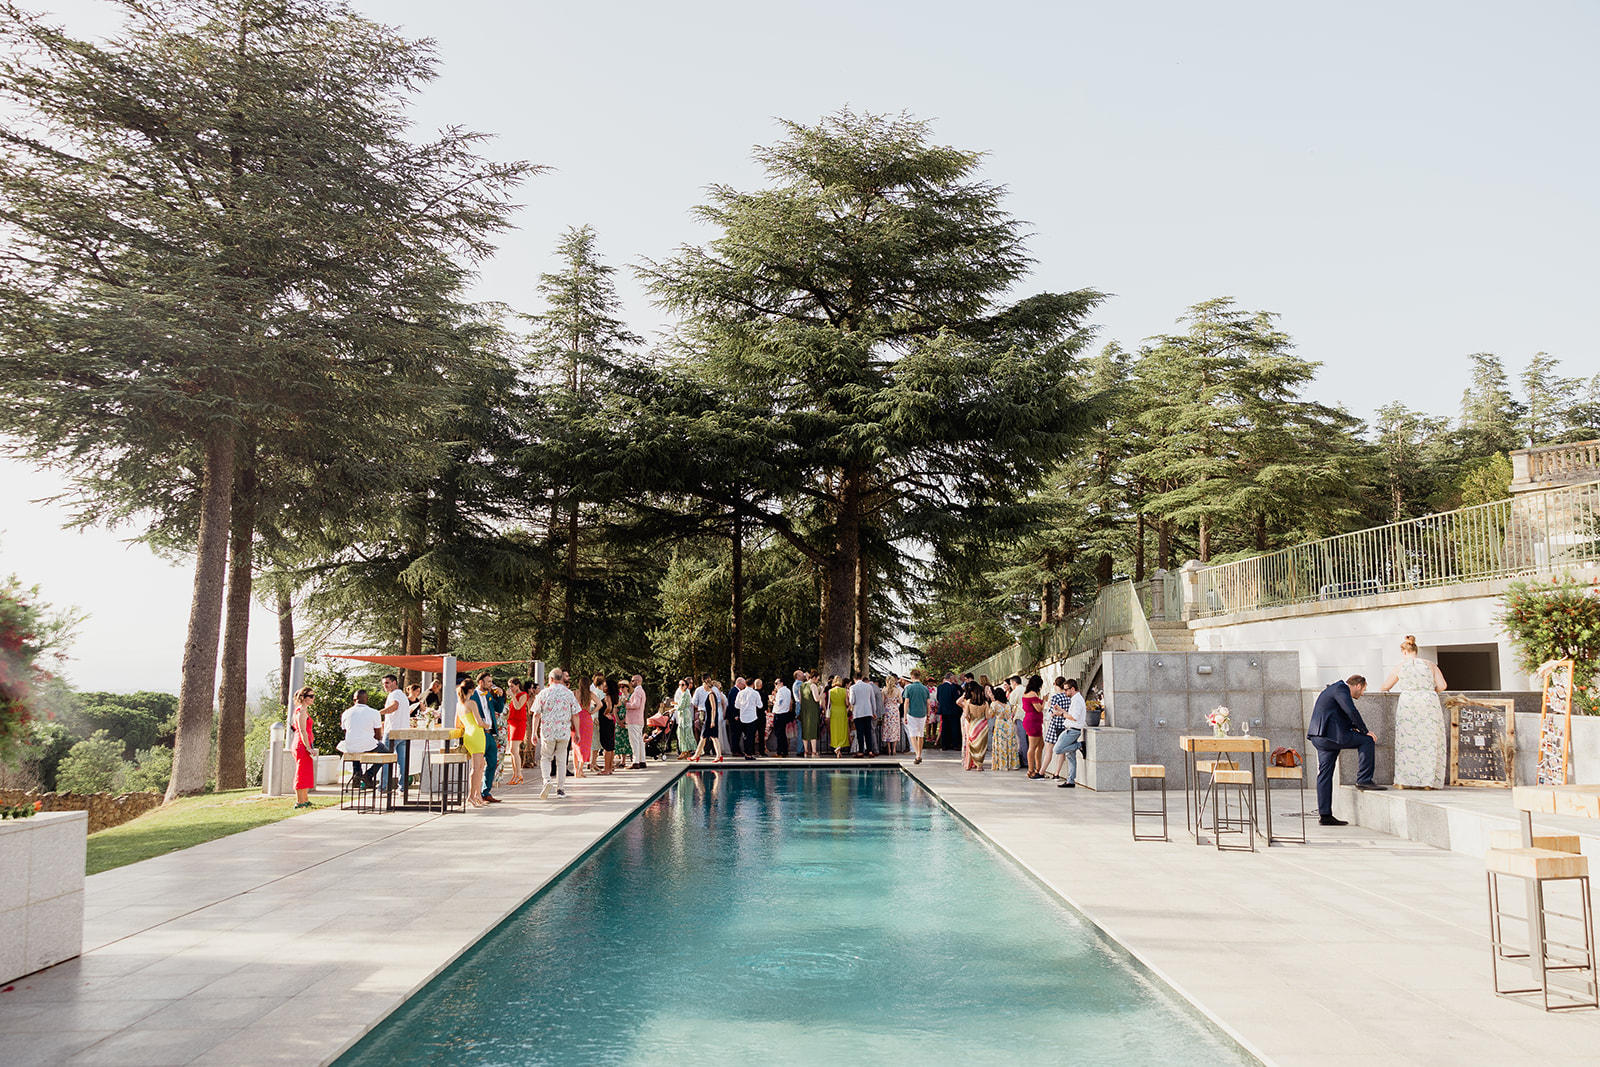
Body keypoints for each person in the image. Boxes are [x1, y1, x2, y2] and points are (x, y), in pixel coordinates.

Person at [1308, 674, 1387, 826]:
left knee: (1324, 774)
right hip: (1331, 736)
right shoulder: (1341, 688)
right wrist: (1365, 731)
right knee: (1367, 741)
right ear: (1357, 686)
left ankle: (1325, 815)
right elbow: (1351, 711)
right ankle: (1364, 779)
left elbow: (1341, 715)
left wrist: (1355, 727)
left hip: (1320, 737)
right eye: (1363, 690)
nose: (1362, 693)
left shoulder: (1333, 689)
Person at [1382, 635, 1449, 789]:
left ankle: (1403, 781)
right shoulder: (1430, 664)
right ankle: (1428, 782)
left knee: (1407, 740)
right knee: (1429, 741)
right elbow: (1443, 685)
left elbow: (1385, 686)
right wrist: (1429, 691)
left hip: (1409, 703)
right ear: (1416, 650)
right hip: (1428, 702)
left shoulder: (1400, 667)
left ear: (1404, 652)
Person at [531, 670, 582, 799]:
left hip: (548, 730)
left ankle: (547, 780)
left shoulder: (543, 693)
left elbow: (536, 714)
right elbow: (575, 714)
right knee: (561, 760)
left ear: (550, 678)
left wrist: (533, 732)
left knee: (546, 757)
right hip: (563, 731)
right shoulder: (568, 693)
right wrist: (577, 731)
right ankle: (560, 789)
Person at [338, 687, 385, 789]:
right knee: (386, 752)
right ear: (367, 699)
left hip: (350, 746)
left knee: (356, 745)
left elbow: (347, 731)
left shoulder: (346, 713)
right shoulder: (374, 712)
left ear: (354, 700)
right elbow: (378, 735)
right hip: (367, 745)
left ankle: (357, 774)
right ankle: (369, 775)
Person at [1043, 678, 1086, 787]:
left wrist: (1060, 715)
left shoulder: (1076, 700)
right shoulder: (1076, 699)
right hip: (1071, 729)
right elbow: (1071, 714)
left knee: (1057, 749)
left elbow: (1074, 717)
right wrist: (1061, 710)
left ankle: (1080, 745)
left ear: (1073, 689)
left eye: (1066, 690)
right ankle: (1070, 780)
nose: (1065, 692)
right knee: (1071, 756)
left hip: (1072, 730)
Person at [468, 672, 504, 803]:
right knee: (478, 765)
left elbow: (499, 709)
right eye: (489, 682)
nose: (491, 684)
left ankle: (485, 791)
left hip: (490, 733)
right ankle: (476, 793)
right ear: (481, 682)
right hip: (479, 733)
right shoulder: (473, 695)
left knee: (493, 762)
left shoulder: (488, 694)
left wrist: (500, 696)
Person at [456, 678, 490, 808]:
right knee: (477, 767)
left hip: (468, 735)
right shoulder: (471, 703)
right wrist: (487, 725)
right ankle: (472, 795)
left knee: (479, 765)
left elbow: (457, 723)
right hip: (477, 733)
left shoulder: (459, 705)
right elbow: (479, 722)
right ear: (471, 690)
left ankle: (476, 794)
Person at [377, 675, 411, 795]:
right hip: (404, 731)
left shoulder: (394, 694)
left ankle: (383, 786)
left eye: (387, 683)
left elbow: (394, 706)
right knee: (403, 761)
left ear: (394, 682)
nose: (385, 686)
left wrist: (378, 713)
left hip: (392, 732)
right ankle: (402, 787)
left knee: (386, 759)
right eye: (383, 683)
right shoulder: (403, 695)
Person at [688, 677, 727, 763]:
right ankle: (716, 756)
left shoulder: (711, 695)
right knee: (711, 737)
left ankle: (697, 755)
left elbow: (713, 709)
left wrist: (712, 720)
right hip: (709, 718)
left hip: (710, 719)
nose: (703, 687)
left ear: (706, 685)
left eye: (703, 685)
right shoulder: (711, 694)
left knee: (705, 737)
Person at [290, 686, 316, 808]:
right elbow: (302, 731)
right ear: (304, 698)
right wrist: (307, 747)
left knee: (306, 772)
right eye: (310, 696)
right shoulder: (301, 712)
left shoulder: (303, 711)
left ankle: (305, 799)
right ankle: (299, 801)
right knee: (301, 772)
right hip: (301, 744)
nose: (313, 698)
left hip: (305, 743)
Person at [959, 682, 993, 770]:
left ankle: (967, 765)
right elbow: (988, 716)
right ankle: (979, 765)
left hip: (973, 724)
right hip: (982, 726)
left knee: (971, 745)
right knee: (981, 746)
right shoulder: (985, 703)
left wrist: (971, 721)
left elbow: (966, 715)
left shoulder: (969, 702)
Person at [503, 677, 529, 786]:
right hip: (511, 722)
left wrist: (513, 696)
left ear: (517, 685)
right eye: (509, 687)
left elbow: (518, 707)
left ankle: (519, 774)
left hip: (519, 723)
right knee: (512, 751)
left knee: (515, 749)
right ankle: (515, 774)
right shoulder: (513, 697)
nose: (511, 689)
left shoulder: (523, 695)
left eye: (512, 686)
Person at [1042, 677, 1070, 778]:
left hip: (1055, 726)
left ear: (1056, 685)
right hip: (1065, 725)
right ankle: (1057, 773)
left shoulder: (1055, 697)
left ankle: (1041, 772)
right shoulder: (1069, 697)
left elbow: (1051, 714)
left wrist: (1050, 707)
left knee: (1048, 750)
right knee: (1060, 750)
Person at [901, 670, 930, 764]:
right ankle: (919, 754)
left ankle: (917, 754)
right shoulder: (925, 688)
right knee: (920, 735)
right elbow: (928, 703)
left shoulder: (909, 688)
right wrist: (928, 714)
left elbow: (906, 702)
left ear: (912, 677)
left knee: (913, 735)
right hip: (922, 713)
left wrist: (904, 715)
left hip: (912, 713)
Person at [991, 678, 1019, 772]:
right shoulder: (1008, 704)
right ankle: (1012, 764)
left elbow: (990, 715)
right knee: (1010, 744)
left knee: (1001, 745)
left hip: (1000, 726)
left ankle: (1002, 764)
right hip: (1009, 725)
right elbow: (1011, 712)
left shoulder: (994, 704)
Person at [1021, 675, 1047, 778]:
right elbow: (1039, 709)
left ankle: (1038, 769)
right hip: (1033, 722)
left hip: (1032, 721)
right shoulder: (1032, 694)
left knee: (1040, 745)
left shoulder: (1027, 693)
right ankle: (1031, 770)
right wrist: (1044, 700)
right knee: (1032, 746)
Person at [848, 672, 877, 757]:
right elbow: (873, 700)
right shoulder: (869, 686)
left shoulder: (853, 687)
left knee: (860, 732)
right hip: (868, 711)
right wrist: (874, 711)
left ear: (854, 679)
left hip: (858, 712)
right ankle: (870, 751)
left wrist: (849, 695)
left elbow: (852, 701)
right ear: (862, 677)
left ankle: (861, 751)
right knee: (868, 731)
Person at [734, 676, 762, 759]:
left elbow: (736, 705)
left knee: (745, 736)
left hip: (743, 717)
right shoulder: (755, 693)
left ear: (745, 684)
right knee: (751, 736)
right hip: (752, 717)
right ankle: (748, 754)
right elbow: (760, 705)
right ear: (753, 684)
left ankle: (746, 752)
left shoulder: (740, 693)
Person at [596, 675, 618, 774]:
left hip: (606, 722)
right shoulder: (613, 697)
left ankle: (607, 768)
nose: (603, 688)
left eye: (605, 686)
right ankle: (609, 767)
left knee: (607, 746)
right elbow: (613, 709)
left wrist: (605, 713)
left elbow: (609, 707)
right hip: (609, 722)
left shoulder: (607, 697)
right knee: (610, 745)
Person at [626, 674, 648, 769]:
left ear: (638, 681)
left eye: (633, 681)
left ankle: (635, 761)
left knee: (634, 741)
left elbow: (636, 704)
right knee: (639, 741)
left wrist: (627, 704)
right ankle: (642, 760)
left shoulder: (638, 691)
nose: (631, 683)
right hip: (639, 720)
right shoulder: (641, 691)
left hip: (634, 720)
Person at [799, 671, 823, 757]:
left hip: (804, 710)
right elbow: (816, 699)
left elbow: (800, 700)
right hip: (812, 710)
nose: (817, 680)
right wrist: (821, 691)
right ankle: (814, 752)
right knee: (813, 730)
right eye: (817, 679)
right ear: (814, 677)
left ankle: (806, 751)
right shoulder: (813, 686)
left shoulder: (801, 686)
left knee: (805, 730)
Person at [771, 673, 795, 757]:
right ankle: (784, 752)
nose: (775, 685)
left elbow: (779, 703)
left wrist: (772, 700)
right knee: (783, 734)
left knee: (779, 734)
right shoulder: (788, 690)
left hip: (779, 714)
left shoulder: (781, 691)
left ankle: (779, 752)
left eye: (776, 683)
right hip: (785, 713)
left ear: (781, 683)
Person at [935, 673, 962, 750]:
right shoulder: (952, 688)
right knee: (954, 727)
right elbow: (956, 698)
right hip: (953, 710)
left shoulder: (940, 687)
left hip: (943, 710)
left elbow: (938, 698)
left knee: (944, 728)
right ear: (950, 679)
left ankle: (944, 744)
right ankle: (955, 744)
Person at [828, 675, 851, 756]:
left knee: (834, 729)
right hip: (842, 711)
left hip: (834, 711)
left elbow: (829, 703)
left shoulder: (830, 691)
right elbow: (847, 703)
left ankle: (836, 746)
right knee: (842, 729)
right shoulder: (844, 691)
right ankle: (840, 747)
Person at [881, 674, 903, 756]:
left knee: (887, 728)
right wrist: (895, 700)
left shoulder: (884, 690)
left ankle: (889, 749)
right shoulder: (897, 690)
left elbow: (882, 702)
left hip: (887, 710)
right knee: (894, 728)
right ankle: (894, 749)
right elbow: (901, 701)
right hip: (894, 710)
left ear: (886, 681)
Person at [675, 678, 695, 757]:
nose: (681, 686)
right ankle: (685, 750)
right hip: (683, 714)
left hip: (684, 715)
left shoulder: (685, 693)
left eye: (682, 685)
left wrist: (674, 708)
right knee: (683, 733)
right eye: (679, 684)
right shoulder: (683, 692)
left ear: (686, 686)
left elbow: (681, 705)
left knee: (684, 733)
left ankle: (685, 751)